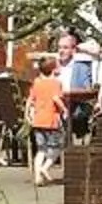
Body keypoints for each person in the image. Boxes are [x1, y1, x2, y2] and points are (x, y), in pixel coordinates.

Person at [26, 51, 66, 186]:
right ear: (54, 69)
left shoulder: (37, 82)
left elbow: (30, 99)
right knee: (57, 147)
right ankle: (45, 167)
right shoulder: (56, 83)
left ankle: (37, 176)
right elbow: (56, 98)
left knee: (41, 149)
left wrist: (27, 113)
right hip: (51, 121)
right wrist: (64, 109)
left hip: (38, 120)